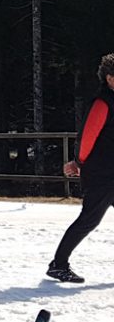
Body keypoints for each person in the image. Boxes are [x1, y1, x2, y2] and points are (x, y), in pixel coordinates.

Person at [46, 53, 114, 284]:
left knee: (89, 219)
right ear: (110, 79)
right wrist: (79, 163)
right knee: (89, 220)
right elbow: (87, 137)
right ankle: (58, 265)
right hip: (102, 175)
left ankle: (58, 264)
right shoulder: (102, 103)